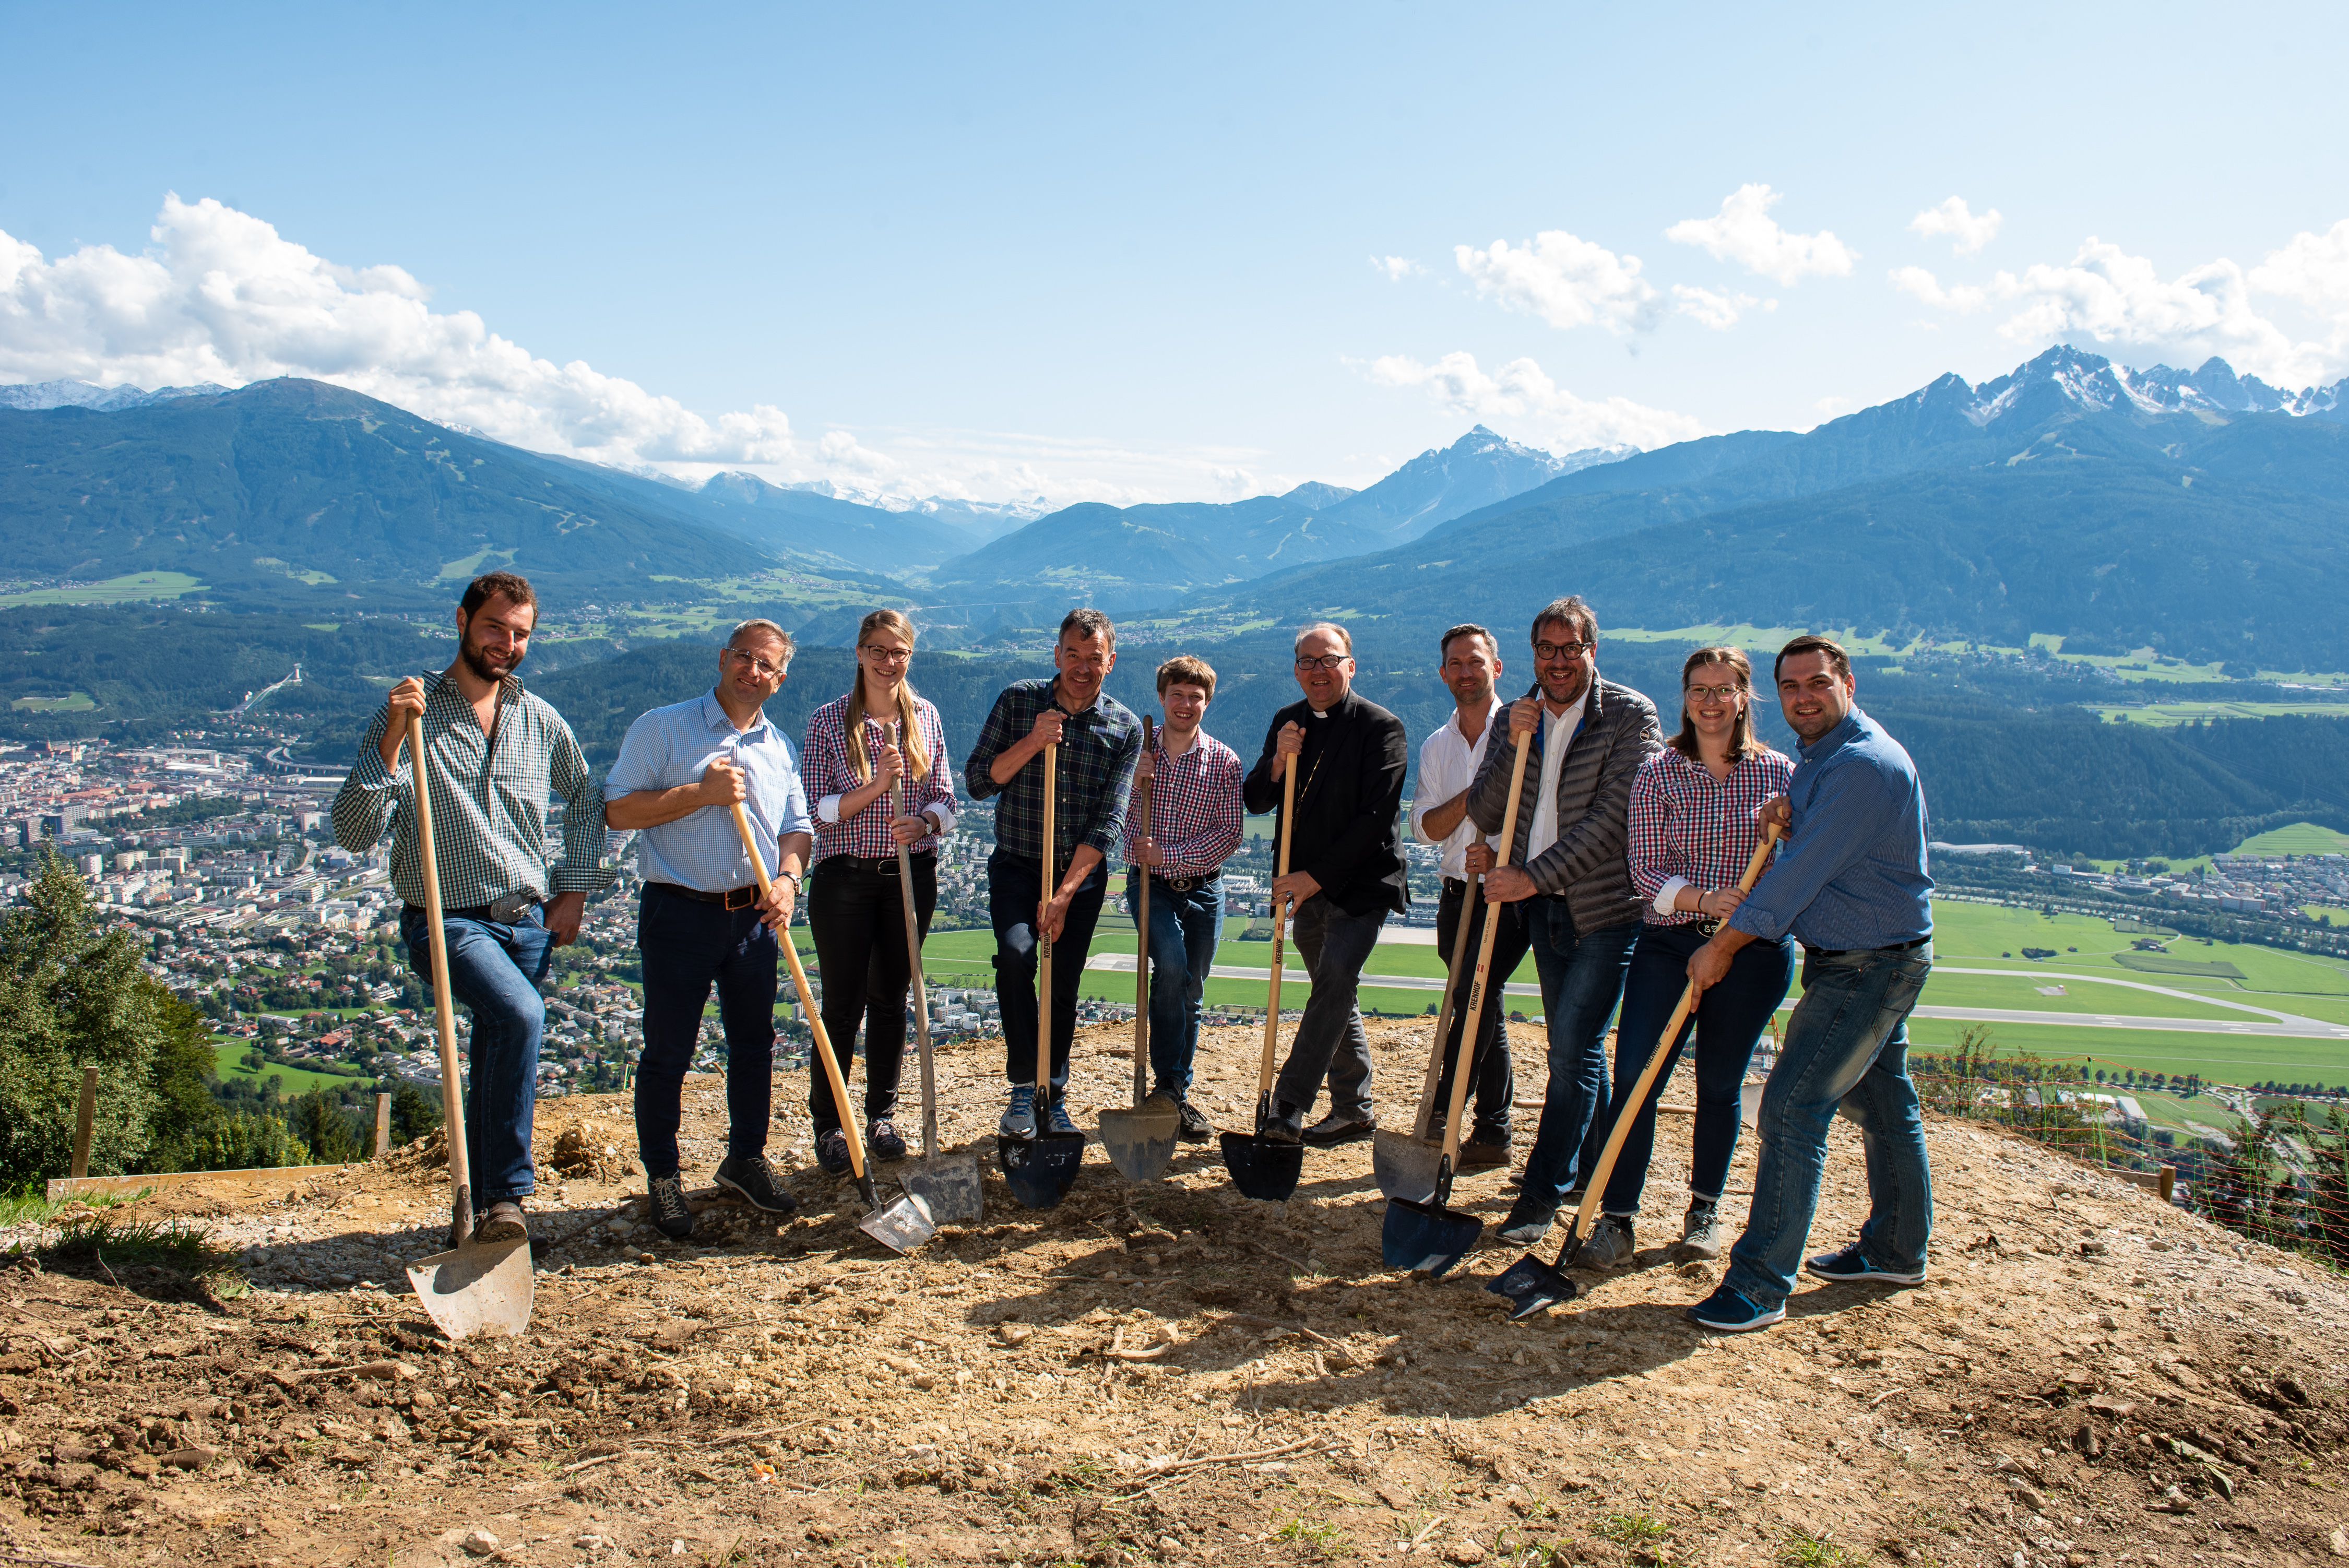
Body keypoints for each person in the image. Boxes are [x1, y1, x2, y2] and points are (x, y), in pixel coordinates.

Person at [332, 571, 611, 1244]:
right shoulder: (413, 709)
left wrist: (572, 892)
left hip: (526, 921)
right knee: (520, 1013)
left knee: (499, 1046)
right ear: (462, 621)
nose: (507, 644)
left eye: (520, 634)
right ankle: (509, 1194)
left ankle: (486, 1213)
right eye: (494, 627)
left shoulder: (538, 719)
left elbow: (585, 800)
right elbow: (353, 830)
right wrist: (393, 740)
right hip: (446, 917)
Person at [1680, 634, 1935, 1334]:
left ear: (1848, 680)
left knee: (1791, 1109)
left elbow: (1796, 879)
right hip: (1864, 956)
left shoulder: (1862, 766)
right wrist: (1784, 818)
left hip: (1868, 965)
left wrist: (1723, 948)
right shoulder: (1828, 758)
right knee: (1882, 1105)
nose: (1803, 697)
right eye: (1790, 687)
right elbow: (1813, 841)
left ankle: (1760, 1285)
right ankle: (1896, 1249)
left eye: (1817, 683)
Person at [1573, 646, 1796, 1270]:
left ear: (1745, 696)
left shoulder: (1780, 777)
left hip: (1753, 952)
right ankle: (1617, 1219)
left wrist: (1743, 912)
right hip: (1670, 944)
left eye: (1724, 689)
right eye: (1699, 689)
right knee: (1639, 1080)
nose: (1710, 701)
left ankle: (1704, 1213)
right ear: (1685, 697)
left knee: (1720, 1086)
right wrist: (1705, 898)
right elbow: (1644, 870)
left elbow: (1792, 871)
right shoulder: (1659, 772)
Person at [604, 619, 812, 1240]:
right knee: (669, 1051)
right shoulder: (663, 727)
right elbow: (617, 808)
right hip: (680, 911)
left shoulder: (777, 746)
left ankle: (745, 1158)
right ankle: (663, 1175)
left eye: (768, 665)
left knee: (755, 1045)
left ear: (780, 679)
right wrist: (701, 792)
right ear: (723, 659)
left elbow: (797, 827)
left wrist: (789, 880)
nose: (755, 672)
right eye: (745, 658)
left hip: (753, 915)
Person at [1466, 594, 1662, 1247]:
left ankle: (1540, 1194)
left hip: (1605, 910)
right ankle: (1591, 1171)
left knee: (1570, 1052)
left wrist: (1529, 875)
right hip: (1545, 914)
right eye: (1545, 650)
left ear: (1591, 652)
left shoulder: (1629, 716)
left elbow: (1615, 823)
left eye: (1569, 649)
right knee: (1579, 1048)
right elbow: (1490, 809)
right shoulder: (1516, 716)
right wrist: (1511, 737)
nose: (1556, 661)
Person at [964, 609, 1144, 1137]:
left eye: (1094, 658)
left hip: (1081, 875)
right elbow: (978, 781)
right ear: (1057, 654)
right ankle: (1024, 1085)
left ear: (1111, 661)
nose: (1082, 667)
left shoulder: (1125, 727)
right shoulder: (1019, 701)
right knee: (1018, 956)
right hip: (1017, 864)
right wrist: (1032, 742)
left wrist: (1064, 895)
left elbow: (1109, 820)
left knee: (1063, 982)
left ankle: (1054, 1091)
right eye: (1073, 655)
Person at [798, 609, 958, 1174]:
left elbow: (946, 796)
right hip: (844, 879)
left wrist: (926, 823)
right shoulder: (828, 722)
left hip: (909, 876)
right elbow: (819, 811)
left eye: (900, 652)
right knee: (842, 1006)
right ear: (860, 653)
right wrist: (878, 786)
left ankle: (881, 1115)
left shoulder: (926, 718)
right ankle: (831, 1123)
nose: (889, 663)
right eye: (878, 650)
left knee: (890, 1001)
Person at [1242, 621, 1408, 1146]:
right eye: (1308, 662)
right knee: (1333, 994)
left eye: (1329, 659)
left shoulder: (1382, 726)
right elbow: (1256, 800)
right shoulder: (1286, 721)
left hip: (1359, 885)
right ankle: (1354, 1109)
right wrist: (1276, 762)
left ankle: (1289, 1104)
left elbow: (1376, 817)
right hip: (1300, 882)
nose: (1318, 671)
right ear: (1296, 669)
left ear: (1350, 665)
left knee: (1335, 976)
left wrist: (1314, 878)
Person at [1409, 623, 1528, 1173]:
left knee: (1473, 994)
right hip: (1457, 892)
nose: (1465, 672)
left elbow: (1543, 817)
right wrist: (1475, 799)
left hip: (1506, 892)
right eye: (1456, 664)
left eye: (1475, 662)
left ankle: (1442, 1109)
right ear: (1443, 673)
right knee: (1486, 1001)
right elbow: (1428, 828)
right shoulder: (1437, 744)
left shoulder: (1526, 734)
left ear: (1496, 668)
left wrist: (1501, 851)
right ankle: (1493, 1129)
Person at [1124, 654, 1245, 1139]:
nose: (1186, 704)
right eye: (1177, 695)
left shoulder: (1224, 761)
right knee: (1170, 965)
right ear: (1162, 697)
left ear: (1207, 702)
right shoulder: (1137, 754)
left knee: (1191, 988)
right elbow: (1122, 825)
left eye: (1196, 697)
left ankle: (1174, 1090)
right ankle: (1167, 1086)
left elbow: (1228, 835)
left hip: (1205, 890)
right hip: (1148, 886)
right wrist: (1135, 782)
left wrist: (1168, 855)